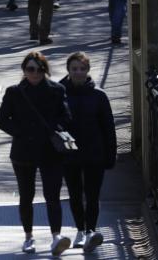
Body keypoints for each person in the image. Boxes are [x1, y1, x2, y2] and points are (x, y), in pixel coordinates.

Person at [0, 51, 72, 257]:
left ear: (45, 70)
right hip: (23, 150)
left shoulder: (57, 90)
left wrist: (54, 129)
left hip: (50, 150)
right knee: (26, 196)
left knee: (52, 196)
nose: (35, 73)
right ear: (24, 70)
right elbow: (1, 119)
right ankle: (28, 237)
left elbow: (66, 117)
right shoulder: (15, 92)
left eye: (39, 69)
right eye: (30, 69)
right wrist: (20, 132)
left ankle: (56, 236)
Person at [59, 52, 117, 252]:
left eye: (82, 69)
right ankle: (80, 230)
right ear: (69, 70)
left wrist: (111, 155)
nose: (78, 72)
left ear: (88, 70)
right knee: (75, 195)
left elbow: (108, 127)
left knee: (92, 195)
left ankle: (90, 230)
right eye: (74, 69)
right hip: (70, 152)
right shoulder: (60, 92)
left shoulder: (98, 96)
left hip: (94, 152)